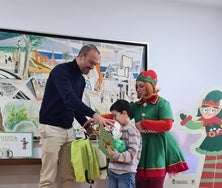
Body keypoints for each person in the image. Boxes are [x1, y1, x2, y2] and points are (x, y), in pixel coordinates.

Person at [38, 44, 114, 188]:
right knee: (48, 178)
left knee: (68, 176)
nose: (92, 67)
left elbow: (75, 106)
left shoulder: (80, 80)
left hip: (68, 130)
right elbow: (69, 98)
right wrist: (94, 115)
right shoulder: (60, 71)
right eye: (91, 62)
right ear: (80, 56)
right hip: (51, 129)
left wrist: (86, 126)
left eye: (95, 64)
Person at [130, 69, 189, 188]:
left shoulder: (162, 103)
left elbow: (167, 125)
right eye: (137, 86)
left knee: (155, 182)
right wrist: (99, 117)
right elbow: (121, 114)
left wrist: (144, 123)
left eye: (141, 86)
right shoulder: (135, 106)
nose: (138, 89)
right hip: (141, 147)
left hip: (158, 147)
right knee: (139, 182)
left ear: (150, 86)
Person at [105, 99, 142, 188]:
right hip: (114, 170)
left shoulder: (132, 131)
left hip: (126, 173)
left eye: (115, 116)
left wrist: (114, 155)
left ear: (124, 113)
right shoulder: (120, 129)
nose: (114, 119)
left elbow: (132, 154)